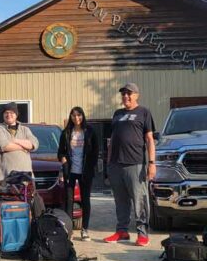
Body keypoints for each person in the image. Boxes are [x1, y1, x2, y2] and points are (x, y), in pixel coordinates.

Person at [103, 83, 156, 247]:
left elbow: (149, 139)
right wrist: (108, 164)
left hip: (135, 164)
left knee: (140, 200)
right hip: (116, 165)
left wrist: (152, 163)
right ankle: (122, 231)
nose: (125, 96)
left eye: (129, 93)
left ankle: (142, 233)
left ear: (137, 95)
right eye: (123, 94)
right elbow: (112, 141)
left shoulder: (144, 112)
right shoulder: (117, 114)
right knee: (120, 201)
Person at [57, 106, 99, 242]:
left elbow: (95, 151)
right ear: (71, 117)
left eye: (79, 115)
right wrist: (63, 161)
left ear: (83, 116)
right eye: (74, 115)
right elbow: (60, 152)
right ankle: (68, 230)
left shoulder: (90, 131)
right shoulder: (66, 132)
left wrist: (91, 166)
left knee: (85, 200)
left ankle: (84, 229)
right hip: (70, 171)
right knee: (69, 200)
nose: (76, 118)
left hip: (85, 171)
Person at [0, 102, 39, 182]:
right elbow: (2, 146)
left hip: (25, 176)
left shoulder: (25, 129)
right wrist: (24, 146)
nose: (8, 115)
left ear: (16, 115)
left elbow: (34, 144)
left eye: (11, 112)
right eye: (6, 112)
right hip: (4, 176)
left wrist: (15, 141)